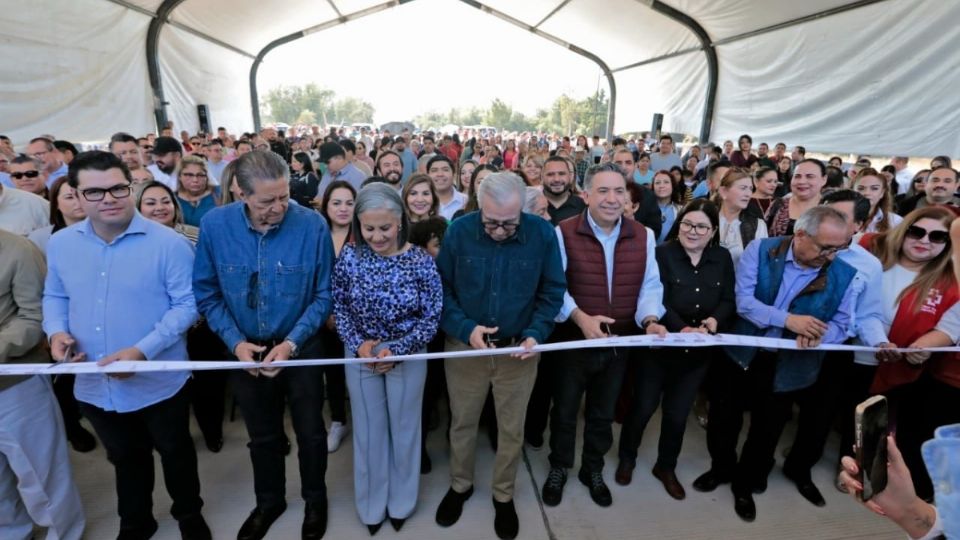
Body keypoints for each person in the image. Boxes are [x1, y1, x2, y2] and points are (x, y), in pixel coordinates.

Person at [43, 151, 210, 539]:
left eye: (118, 188)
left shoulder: (167, 243)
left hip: (159, 379)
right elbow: (56, 295)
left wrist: (142, 351)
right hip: (94, 381)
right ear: (77, 195)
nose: (110, 198)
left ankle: (189, 514)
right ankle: (136, 521)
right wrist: (56, 333)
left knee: (175, 452)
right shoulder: (63, 244)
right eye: (96, 192)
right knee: (124, 457)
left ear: (130, 187)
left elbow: (187, 306)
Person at [193, 150, 334, 540]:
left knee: (311, 433)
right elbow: (207, 294)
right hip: (245, 351)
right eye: (267, 201)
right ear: (241, 194)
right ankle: (269, 501)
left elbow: (324, 295)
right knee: (263, 436)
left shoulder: (312, 226)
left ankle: (315, 500)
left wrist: (290, 343)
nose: (279, 207)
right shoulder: (214, 227)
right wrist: (236, 344)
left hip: (301, 347)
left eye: (284, 196)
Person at [695, 206, 857, 523]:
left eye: (839, 248)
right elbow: (744, 303)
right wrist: (789, 321)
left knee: (767, 431)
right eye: (825, 247)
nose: (831, 255)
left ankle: (746, 484)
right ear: (800, 234)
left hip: (790, 365)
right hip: (741, 355)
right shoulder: (762, 249)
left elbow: (843, 324)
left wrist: (822, 337)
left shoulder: (845, 274)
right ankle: (721, 469)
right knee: (723, 419)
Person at [434, 171, 565, 540]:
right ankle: (460, 486)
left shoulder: (541, 235)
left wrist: (536, 333)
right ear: (478, 206)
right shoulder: (459, 232)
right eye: (491, 223)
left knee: (511, 428)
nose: (499, 231)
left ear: (522, 209)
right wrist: (465, 329)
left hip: (518, 351)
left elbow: (553, 290)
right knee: (462, 422)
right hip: (465, 348)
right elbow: (441, 290)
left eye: (509, 224)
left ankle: (503, 494)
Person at [542, 163, 667, 508]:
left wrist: (651, 319)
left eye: (619, 191)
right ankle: (560, 466)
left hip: (619, 343)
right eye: (603, 191)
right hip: (574, 340)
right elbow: (555, 287)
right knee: (565, 410)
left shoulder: (643, 235)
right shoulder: (563, 232)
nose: (612, 199)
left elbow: (650, 285)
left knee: (602, 412)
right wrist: (580, 318)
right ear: (585, 195)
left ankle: (592, 468)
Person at [331, 183, 442, 534]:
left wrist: (401, 349)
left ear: (400, 223)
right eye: (369, 228)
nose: (377, 237)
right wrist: (359, 345)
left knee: (405, 429)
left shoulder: (421, 261)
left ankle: (402, 502)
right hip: (360, 355)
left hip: (407, 353)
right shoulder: (349, 257)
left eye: (385, 228)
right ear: (358, 226)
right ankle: (370, 505)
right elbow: (340, 307)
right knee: (368, 431)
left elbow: (432, 314)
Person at [617, 199, 735, 500]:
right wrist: (681, 327)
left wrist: (712, 322)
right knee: (642, 407)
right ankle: (627, 459)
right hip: (659, 348)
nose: (692, 231)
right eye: (687, 224)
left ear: (712, 231)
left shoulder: (722, 258)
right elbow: (654, 295)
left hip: (697, 354)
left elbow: (727, 300)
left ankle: (665, 466)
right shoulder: (661, 254)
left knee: (677, 414)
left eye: (701, 227)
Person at [860, 206, 960, 501]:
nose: (925, 240)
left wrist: (924, 348)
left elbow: (950, 327)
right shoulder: (871, 252)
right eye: (917, 231)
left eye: (937, 236)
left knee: (883, 427)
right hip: (855, 356)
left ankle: (880, 479)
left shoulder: (950, 282)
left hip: (901, 369)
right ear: (904, 231)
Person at [0, 228, 86, 540]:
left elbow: (35, 317)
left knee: (42, 476)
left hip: (13, 385)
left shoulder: (17, 249)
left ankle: (63, 534)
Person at [317, 180, 356, 453]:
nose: (343, 209)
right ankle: (338, 420)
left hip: (357, 319)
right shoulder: (316, 234)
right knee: (332, 371)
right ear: (326, 205)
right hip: (323, 317)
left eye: (349, 203)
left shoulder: (365, 233)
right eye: (336, 202)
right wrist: (327, 313)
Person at [716, 168, 769, 267]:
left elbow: (761, 263)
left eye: (750, 189)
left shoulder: (758, 225)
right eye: (743, 188)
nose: (748, 194)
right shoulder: (707, 220)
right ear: (723, 191)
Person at [767, 158, 827, 236]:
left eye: (810, 176)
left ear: (824, 179)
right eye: (797, 176)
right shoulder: (779, 204)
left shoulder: (830, 208)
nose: (801, 181)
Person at [612, 149, 663, 238]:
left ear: (635, 166)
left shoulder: (648, 196)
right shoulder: (602, 194)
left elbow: (655, 231)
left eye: (628, 163)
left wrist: (634, 225)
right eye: (618, 163)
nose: (623, 167)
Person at [852, 167, 904, 233]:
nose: (867, 193)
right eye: (861, 188)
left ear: (882, 193)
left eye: (874, 188)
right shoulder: (840, 216)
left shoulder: (896, 221)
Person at [176, 155, 218, 228]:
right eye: (188, 175)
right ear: (179, 176)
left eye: (200, 175)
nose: (195, 180)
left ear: (206, 177)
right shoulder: (171, 198)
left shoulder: (219, 193)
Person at [541, 155, 585, 224]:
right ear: (542, 177)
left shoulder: (583, 207)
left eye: (561, 174)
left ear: (570, 176)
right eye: (550, 174)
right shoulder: (531, 205)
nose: (556, 179)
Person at [428, 155, 466, 220]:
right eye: (434, 170)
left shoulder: (466, 201)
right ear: (427, 175)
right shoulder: (422, 203)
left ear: (454, 174)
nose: (440, 174)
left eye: (445, 170)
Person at [652, 170, 684, 245]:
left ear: (673, 186)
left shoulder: (681, 210)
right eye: (657, 183)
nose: (661, 186)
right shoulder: (645, 208)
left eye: (666, 182)